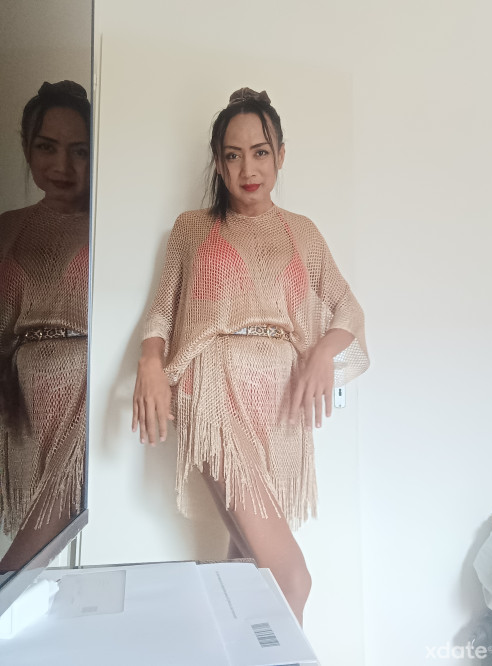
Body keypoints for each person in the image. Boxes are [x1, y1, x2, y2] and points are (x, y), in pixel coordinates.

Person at [132, 87, 369, 625]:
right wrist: (150, 361)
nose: (248, 169)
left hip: (279, 406)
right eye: (233, 155)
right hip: (213, 391)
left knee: (247, 567)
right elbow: (161, 314)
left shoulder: (301, 232)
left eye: (260, 152)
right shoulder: (193, 228)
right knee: (291, 577)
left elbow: (348, 310)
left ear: (280, 154)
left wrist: (322, 353)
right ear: (218, 163)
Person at [0, 81, 90, 571]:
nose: (62, 166)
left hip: (84, 395)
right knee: (41, 569)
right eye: (47, 147)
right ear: (27, 148)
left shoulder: (107, 223)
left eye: (79, 151)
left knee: (23, 565)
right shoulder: (7, 227)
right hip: (19, 402)